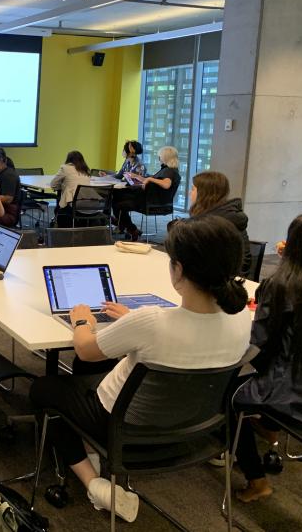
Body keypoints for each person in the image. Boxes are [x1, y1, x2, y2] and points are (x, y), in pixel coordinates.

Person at [29, 216, 251, 523]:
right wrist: (132, 321)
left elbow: (85, 349)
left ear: (179, 270)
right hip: (194, 431)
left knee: (45, 388)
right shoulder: (241, 319)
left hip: (121, 427)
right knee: (86, 371)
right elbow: (181, 334)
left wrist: (82, 321)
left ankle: (93, 482)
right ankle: (89, 456)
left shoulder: (151, 321)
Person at [233, 212, 302, 503]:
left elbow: (260, 347)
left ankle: (257, 480)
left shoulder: (282, 287)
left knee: (230, 394)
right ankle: (269, 430)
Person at [183, 171, 250, 276]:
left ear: (203, 193)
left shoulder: (215, 221)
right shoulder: (224, 215)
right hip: (224, 278)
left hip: (221, 281)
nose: (189, 193)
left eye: (193, 189)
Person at [112, 145, 181, 241]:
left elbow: (166, 184)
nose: (159, 158)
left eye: (160, 156)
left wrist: (149, 179)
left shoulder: (168, 171)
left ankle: (131, 229)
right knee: (118, 199)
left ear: (165, 157)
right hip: (152, 201)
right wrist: (136, 176)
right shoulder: (169, 170)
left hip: (151, 203)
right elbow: (152, 181)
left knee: (117, 204)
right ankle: (124, 226)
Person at [50, 150, 91, 227]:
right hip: (89, 204)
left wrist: (62, 187)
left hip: (73, 204)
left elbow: (53, 184)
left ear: (69, 159)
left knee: (59, 208)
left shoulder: (65, 168)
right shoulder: (86, 170)